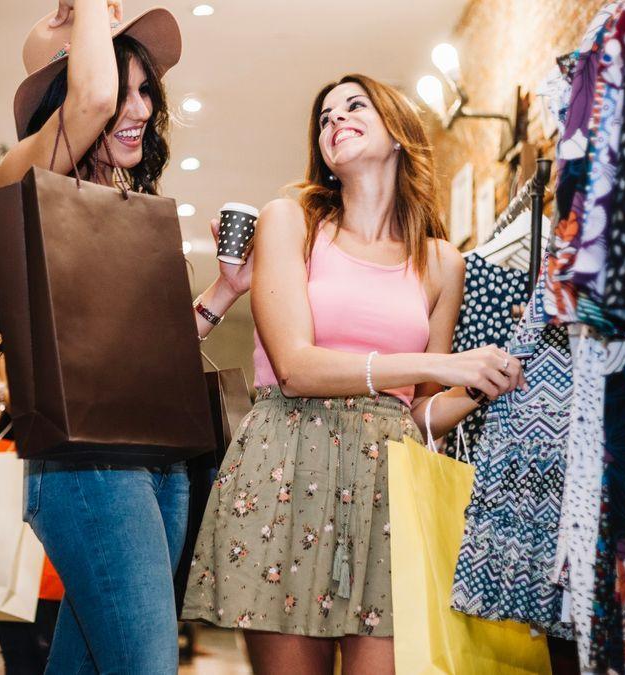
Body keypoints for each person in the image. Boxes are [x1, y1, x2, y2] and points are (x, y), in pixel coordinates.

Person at [180, 74, 526, 675]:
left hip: (387, 490)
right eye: (324, 116)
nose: (334, 119)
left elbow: (419, 415)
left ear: (397, 133)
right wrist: (437, 364)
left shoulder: (442, 262)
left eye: (354, 106)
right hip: (288, 466)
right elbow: (294, 367)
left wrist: (474, 385)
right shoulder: (290, 223)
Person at [0, 1, 250, 671]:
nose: (140, 107)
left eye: (145, 88)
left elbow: (152, 356)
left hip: (160, 464)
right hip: (86, 467)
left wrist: (223, 291)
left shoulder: (127, 205)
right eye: (120, 88)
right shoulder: (23, 177)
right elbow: (91, 97)